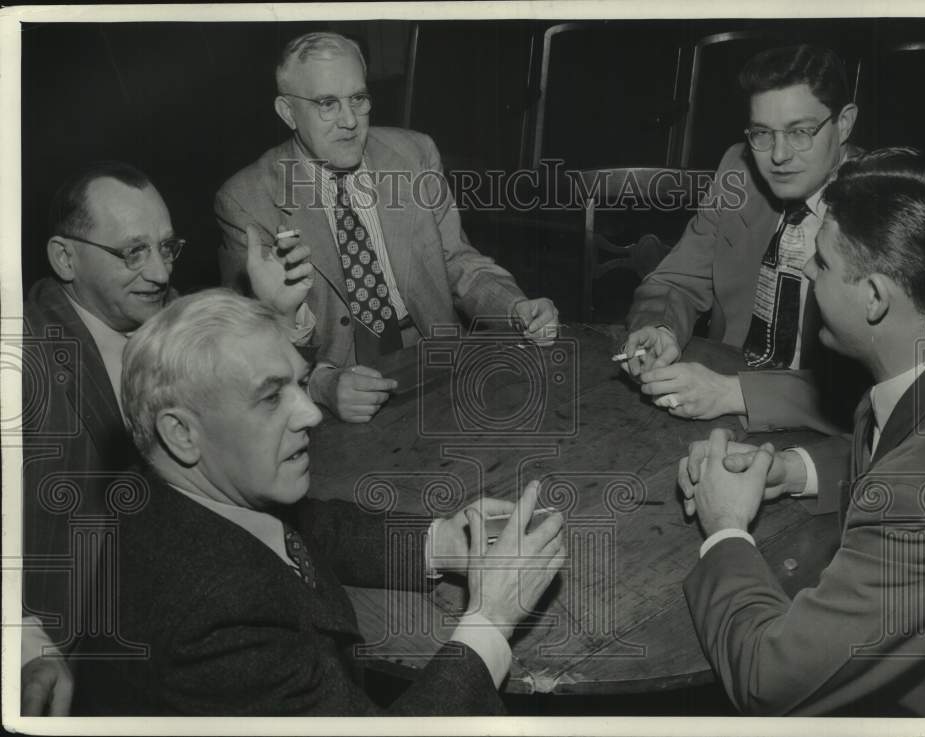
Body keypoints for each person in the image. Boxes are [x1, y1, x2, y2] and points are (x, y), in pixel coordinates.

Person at [71, 290, 566, 715]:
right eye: (270, 398)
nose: (311, 414)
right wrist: (490, 620)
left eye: (300, 384)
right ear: (180, 433)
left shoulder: (180, 490)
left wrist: (443, 541)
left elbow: (312, 528)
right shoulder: (215, 623)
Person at [678, 148, 925, 715]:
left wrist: (723, 525)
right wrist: (794, 470)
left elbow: (767, 681)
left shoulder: (923, 498)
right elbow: (901, 454)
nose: (805, 272)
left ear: (873, 298)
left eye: (820, 263)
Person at [21, 161, 313, 714]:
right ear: (65, 258)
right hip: (86, 654)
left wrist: (276, 314)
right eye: (132, 253)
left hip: (189, 610)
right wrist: (22, 642)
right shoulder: (25, 352)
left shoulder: (173, 315)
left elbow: (259, 399)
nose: (158, 273)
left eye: (166, 247)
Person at [215, 31, 559, 424]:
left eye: (358, 99)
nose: (349, 121)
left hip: (437, 365)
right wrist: (323, 385)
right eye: (327, 103)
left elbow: (457, 262)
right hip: (337, 391)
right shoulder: (245, 200)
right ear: (288, 112)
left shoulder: (414, 155)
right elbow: (246, 344)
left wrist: (515, 308)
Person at [623, 44, 864, 433]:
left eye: (801, 131)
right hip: (719, 404)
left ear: (846, 122)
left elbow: (885, 386)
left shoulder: (883, 203)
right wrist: (661, 329)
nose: (779, 155)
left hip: (835, 434)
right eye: (762, 134)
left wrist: (735, 393)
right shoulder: (739, 169)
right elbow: (676, 281)